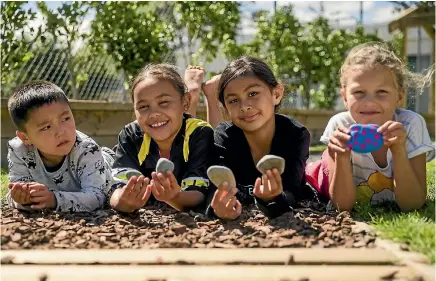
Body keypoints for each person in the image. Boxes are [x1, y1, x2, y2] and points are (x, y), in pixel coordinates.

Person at [319, 42, 435, 212]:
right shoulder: (340, 126)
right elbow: (341, 206)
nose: (369, 102)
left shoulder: (410, 125)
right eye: (359, 93)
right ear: (345, 97)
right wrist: (342, 158)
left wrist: (399, 151)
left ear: (400, 96)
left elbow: (413, 204)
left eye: (382, 92)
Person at [205, 55, 311, 220]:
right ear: (225, 107)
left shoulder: (295, 134)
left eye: (253, 93)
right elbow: (215, 188)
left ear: (276, 94)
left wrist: (273, 199)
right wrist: (218, 208)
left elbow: (293, 189)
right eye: (233, 100)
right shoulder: (224, 137)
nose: (245, 106)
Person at [109, 64, 214, 213]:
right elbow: (116, 191)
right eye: (144, 106)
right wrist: (124, 201)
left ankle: (196, 92)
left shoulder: (201, 133)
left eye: (163, 102)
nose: (154, 113)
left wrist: (174, 197)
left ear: (185, 102)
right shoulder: (131, 134)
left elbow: (199, 196)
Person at [6, 81, 114, 212]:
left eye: (65, 119)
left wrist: (54, 200)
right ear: (25, 138)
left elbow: (97, 198)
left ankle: (111, 154)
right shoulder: (19, 150)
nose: (61, 131)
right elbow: (15, 194)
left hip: (105, 164)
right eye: (46, 127)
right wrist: (23, 198)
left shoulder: (88, 150)